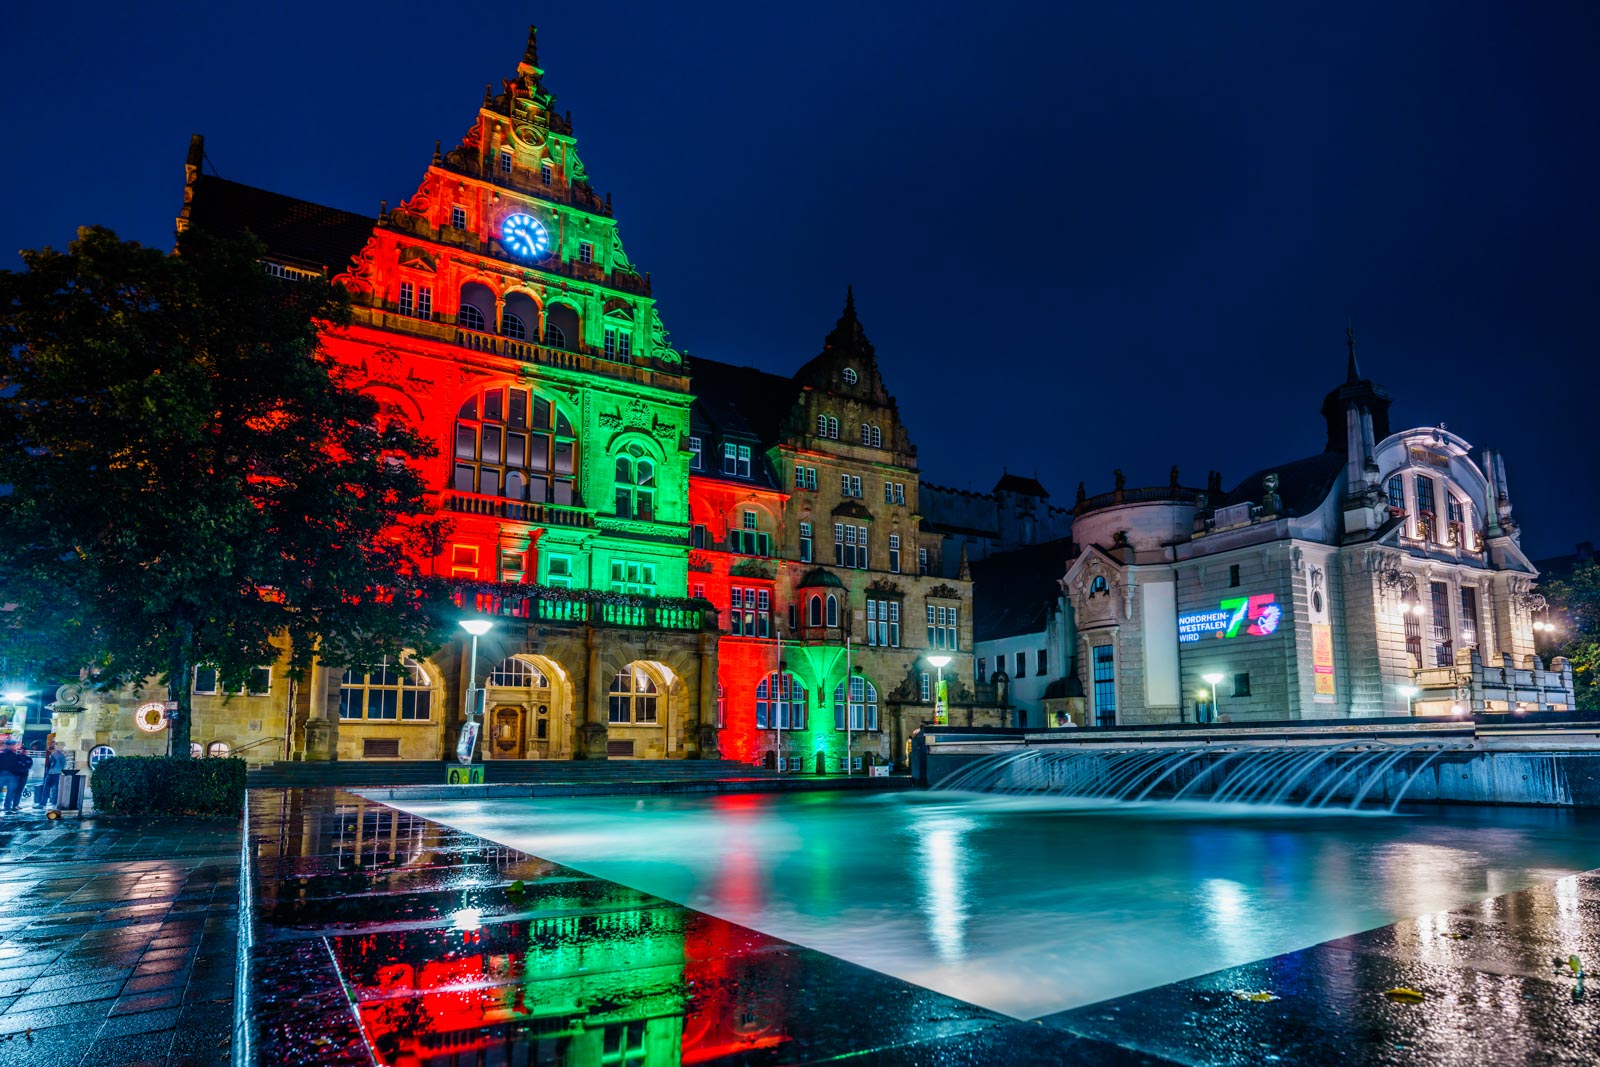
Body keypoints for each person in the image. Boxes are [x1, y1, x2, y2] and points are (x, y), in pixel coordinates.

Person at [0, 739, 30, 813]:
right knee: (11, 792)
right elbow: (18, 766)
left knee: (10, 792)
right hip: (13, 775)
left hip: (4, 775)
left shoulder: (2, 755)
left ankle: (7, 806)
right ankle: (7, 807)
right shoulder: (15, 756)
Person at [33, 741, 65, 810]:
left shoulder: (54, 754)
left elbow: (51, 764)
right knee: (55, 789)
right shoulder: (60, 754)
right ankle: (54, 803)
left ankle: (43, 804)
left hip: (52, 773)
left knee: (47, 788)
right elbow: (63, 765)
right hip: (56, 773)